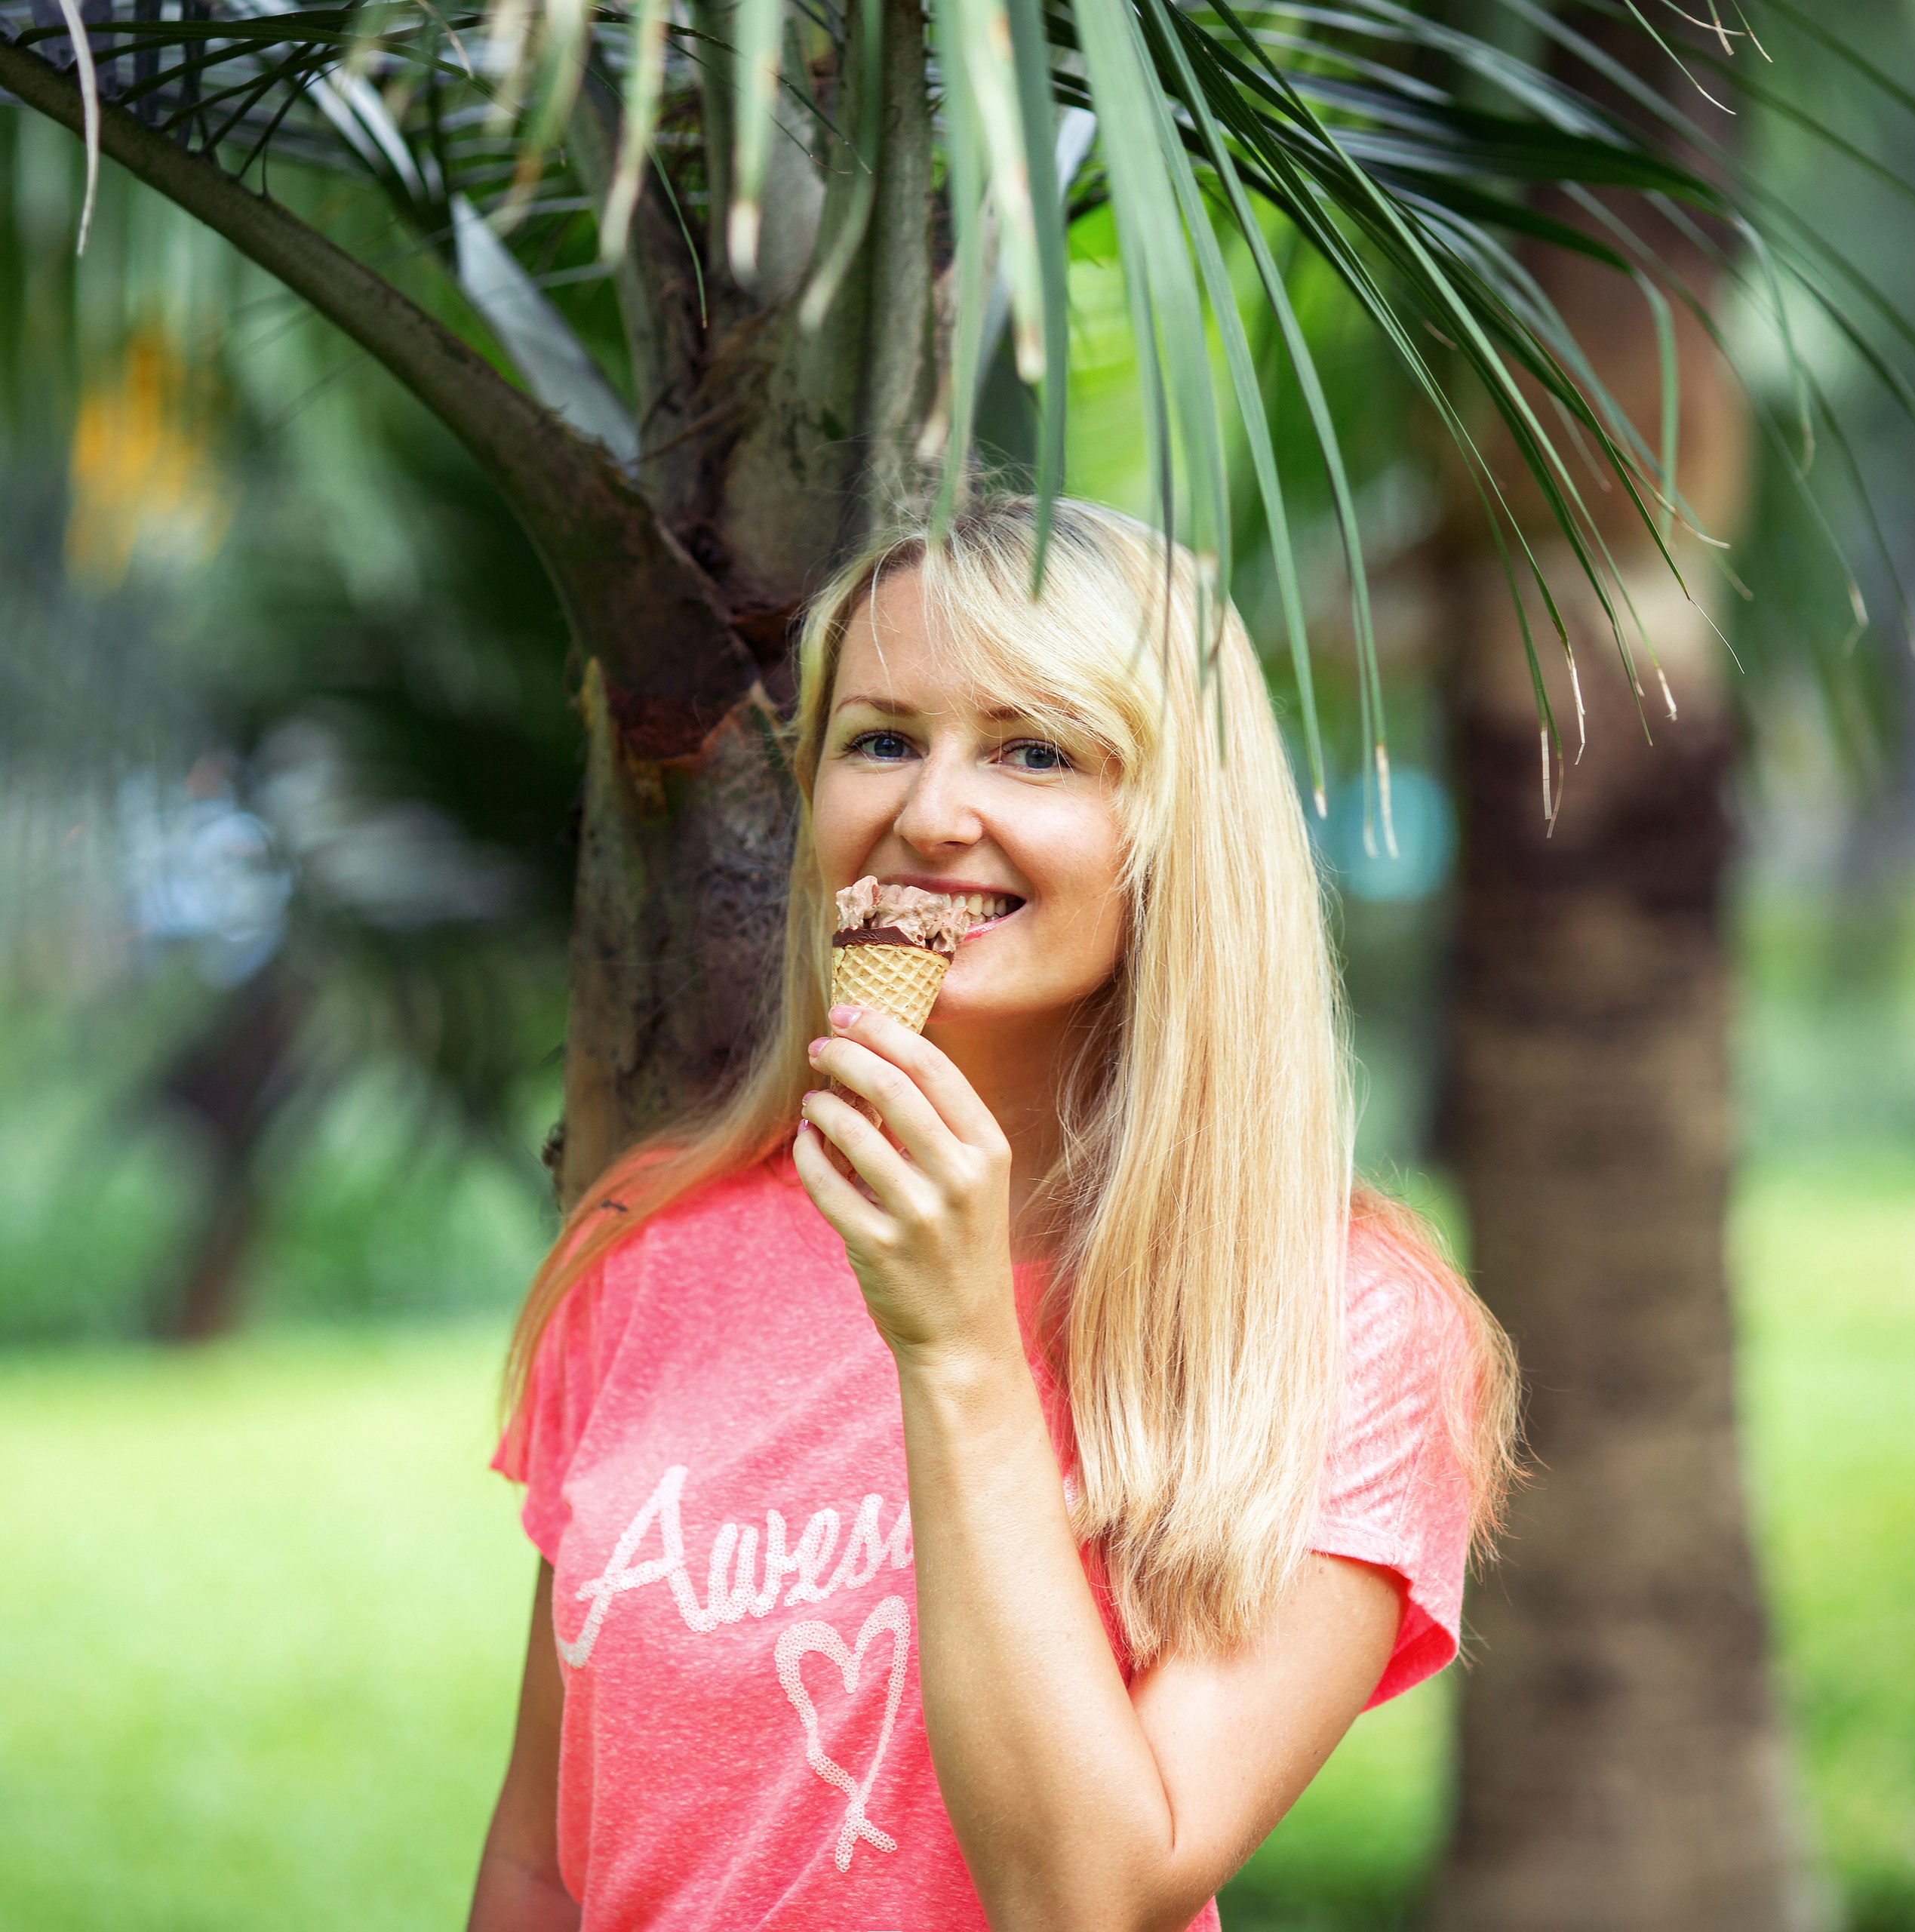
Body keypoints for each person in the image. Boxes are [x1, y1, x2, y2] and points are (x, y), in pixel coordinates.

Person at [467, 497, 1519, 1932]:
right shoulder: (654, 1246)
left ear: (1175, 828)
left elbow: (1092, 1899)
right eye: (882, 739)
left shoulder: (1340, 1327)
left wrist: (959, 1347)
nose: (932, 815)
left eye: (1034, 750)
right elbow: (542, 1864)